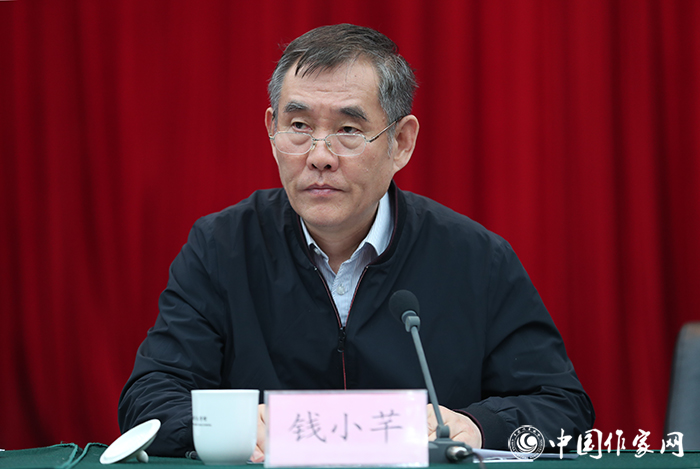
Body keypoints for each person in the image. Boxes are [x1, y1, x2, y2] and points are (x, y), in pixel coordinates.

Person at [118, 23, 595, 459]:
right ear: (271, 131)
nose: (319, 156)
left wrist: (479, 425)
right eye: (299, 127)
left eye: (348, 130)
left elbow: (562, 407)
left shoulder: (475, 258)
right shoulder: (221, 248)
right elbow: (149, 399)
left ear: (401, 143)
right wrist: (229, 428)